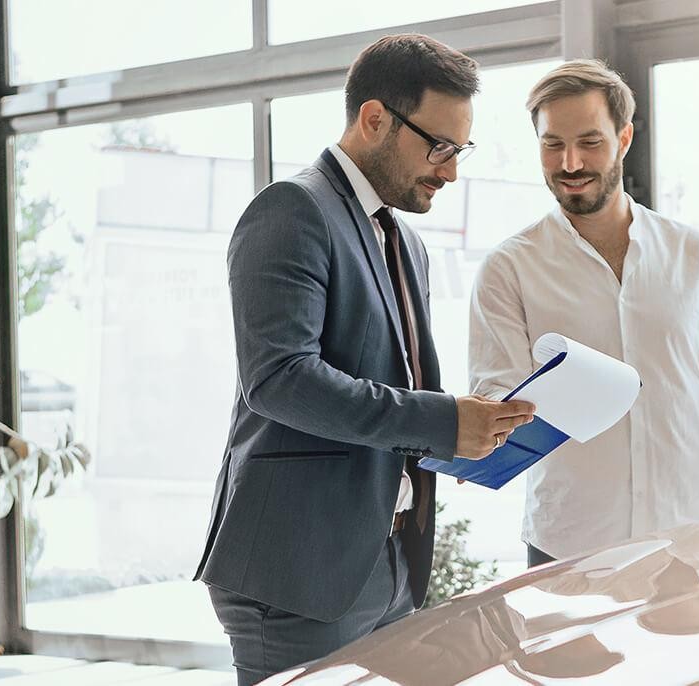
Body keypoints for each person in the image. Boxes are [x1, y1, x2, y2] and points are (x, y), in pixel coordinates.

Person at [196, 34, 536, 685]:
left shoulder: (405, 241)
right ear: (375, 118)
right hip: (300, 571)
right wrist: (440, 421)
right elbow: (280, 379)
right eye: (439, 147)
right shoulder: (291, 210)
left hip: (389, 561)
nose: (451, 170)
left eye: (460, 151)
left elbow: (388, 393)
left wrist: (464, 435)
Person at [469, 59, 699, 568]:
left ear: (625, 137)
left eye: (590, 142)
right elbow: (496, 399)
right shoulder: (509, 267)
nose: (570, 163)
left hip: (688, 544)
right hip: (566, 550)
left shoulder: (695, 255)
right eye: (552, 144)